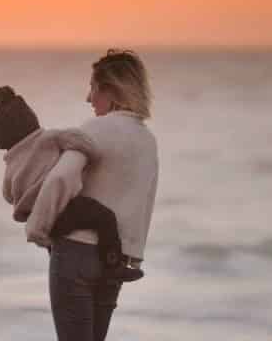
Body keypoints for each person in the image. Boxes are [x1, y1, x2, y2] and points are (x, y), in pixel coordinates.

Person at [26, 49, 159, 341]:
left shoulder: (95, 130)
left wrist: (38, 229)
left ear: (110, 90)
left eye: (93, 88)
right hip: (115, 262)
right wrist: (133, 258)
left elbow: (59, 178)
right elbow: (144, 206)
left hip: (76, 255)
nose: (88, 98)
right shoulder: (148, 141)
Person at [0, 85, 143, 283]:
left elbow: (8, 195)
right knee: (104, 217)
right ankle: (112, 265)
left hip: (39, 220)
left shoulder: (10, 165)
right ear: (30, 118)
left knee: (56, 252)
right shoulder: (48, 138)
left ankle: (64, 275)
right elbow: (84, 143)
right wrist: (90, 158)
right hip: (64, 208)